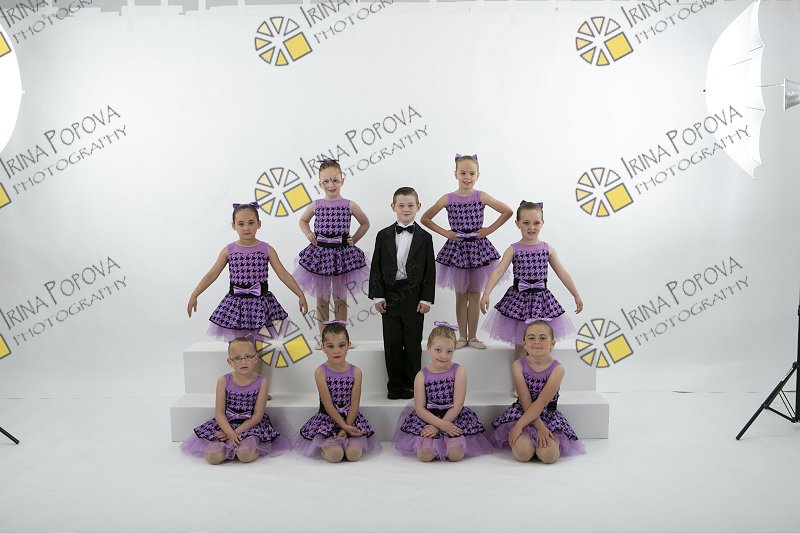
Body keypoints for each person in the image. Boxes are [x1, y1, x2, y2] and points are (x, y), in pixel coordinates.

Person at [421, 154, 512, 349]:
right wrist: (446, 233)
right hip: (457, 251)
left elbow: (507, 211)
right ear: (455, 174)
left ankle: (473, 337)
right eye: (463, 173)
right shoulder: (448, 198)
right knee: (461, 295)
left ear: (478, 175)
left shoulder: (481, 196)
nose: (467, 177)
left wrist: (488, 230)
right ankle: (462, 337)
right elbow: (425, 218)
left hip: (478, 250)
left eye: (471, 173)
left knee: (475, 294)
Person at [187, 202, 308, 341]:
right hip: (236, 306)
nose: (246, 228)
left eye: (251, 223)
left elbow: (283, 274)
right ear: (233, 226)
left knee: (257, 346)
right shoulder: (228, 250)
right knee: (238, 345)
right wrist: (194, 294)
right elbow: (211, 275)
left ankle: (256, 355)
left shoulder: (267, 249)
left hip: (260, 305)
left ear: (259, 224)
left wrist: (300, 294)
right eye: (241, 224)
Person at [480, 201, 583, 360]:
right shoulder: (514, 249)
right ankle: (519, 376)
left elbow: (562, 272)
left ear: (542, 223)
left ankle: (540, 374)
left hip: (541, 301)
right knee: (521, 345)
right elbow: (499, 270)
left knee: (543, 343)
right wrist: (486, 293)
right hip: (519, 301)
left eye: (536, 223)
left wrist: (576, 295)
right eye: (526, 223)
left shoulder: (547, 249)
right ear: (517, 224)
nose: (531, 227)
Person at [293, 160, 370, 348]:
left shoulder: (349, 205)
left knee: (340, 298)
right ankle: (324, 339)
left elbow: (365, 223)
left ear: (342, 180)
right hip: (320, 255)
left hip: (342, 255)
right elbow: (303, 220)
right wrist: (309, 234)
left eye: (335, 180)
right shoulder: (317, 204)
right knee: (322, 298)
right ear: (320, 184)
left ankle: (341, 339)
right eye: (326, 181)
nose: (331, 184)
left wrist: (354, 240)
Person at [368, 186, 436, 400]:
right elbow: (376, 266)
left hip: (414, 296)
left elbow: (430, 270)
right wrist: (378, 296)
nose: (406, 209)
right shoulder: (383, 235)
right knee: (392, 342)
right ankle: (394, 385)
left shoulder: (425, 237)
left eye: (410, 205)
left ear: (418, 207)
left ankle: (411, 385)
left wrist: (426, 299)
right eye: (401, 205)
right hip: (389, 295)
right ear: (393, 207)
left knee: (413, 342)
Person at [180, 337, 292, 464]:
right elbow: (219, 413)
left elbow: (257, 415)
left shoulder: (261, 381)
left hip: (250, 424)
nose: (243, 361)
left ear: (256, 359)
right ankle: (229, 449)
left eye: (248, 356)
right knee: (213, 457)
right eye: (238, 358)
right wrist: (229, 432)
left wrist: (235, 433)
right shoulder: (223, 380)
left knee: (245, 456)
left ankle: (248, 447)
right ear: (230, 362)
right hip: (227, 423)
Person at [393, 322, 494, 461]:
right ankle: (436, 445)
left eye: (449, 351)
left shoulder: (459, 371)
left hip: (453, 415)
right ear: (428, 348)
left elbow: (458, 404)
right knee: (424, 455)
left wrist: (442, 426)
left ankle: (447, 445)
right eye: (438, 350)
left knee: (456, 455)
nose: (443, 356)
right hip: (429, 417)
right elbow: (420, 408)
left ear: (454, 350)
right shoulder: (421, 376)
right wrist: (439, 425)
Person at [489, 320, 585, 462]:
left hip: (547, 415)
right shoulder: (518, 365)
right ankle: (529, 444)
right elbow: (525, 400)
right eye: (531, 338)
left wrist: (541, 428)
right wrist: (520, 425)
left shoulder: (558, 369)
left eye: (542, 338)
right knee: (522, 454)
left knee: (549, 457)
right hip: (523, 412)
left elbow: (542, 402)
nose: (537, 342)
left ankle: (540, 446)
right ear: (524, 343)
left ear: (552, 343)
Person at [294, 322, 381, 462]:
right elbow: (328, 404)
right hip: (328, 419)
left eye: (341, 345)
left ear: (348, 345)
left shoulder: (356, 372)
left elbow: (355, 404)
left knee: (354, 455)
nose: (336, 351)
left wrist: (347, 428)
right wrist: (343, 426)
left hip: (350, 419)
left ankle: (345, 440)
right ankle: (326, 445)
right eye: (330, 346)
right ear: (323, 347)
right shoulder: (321, 372)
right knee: (335, 456)